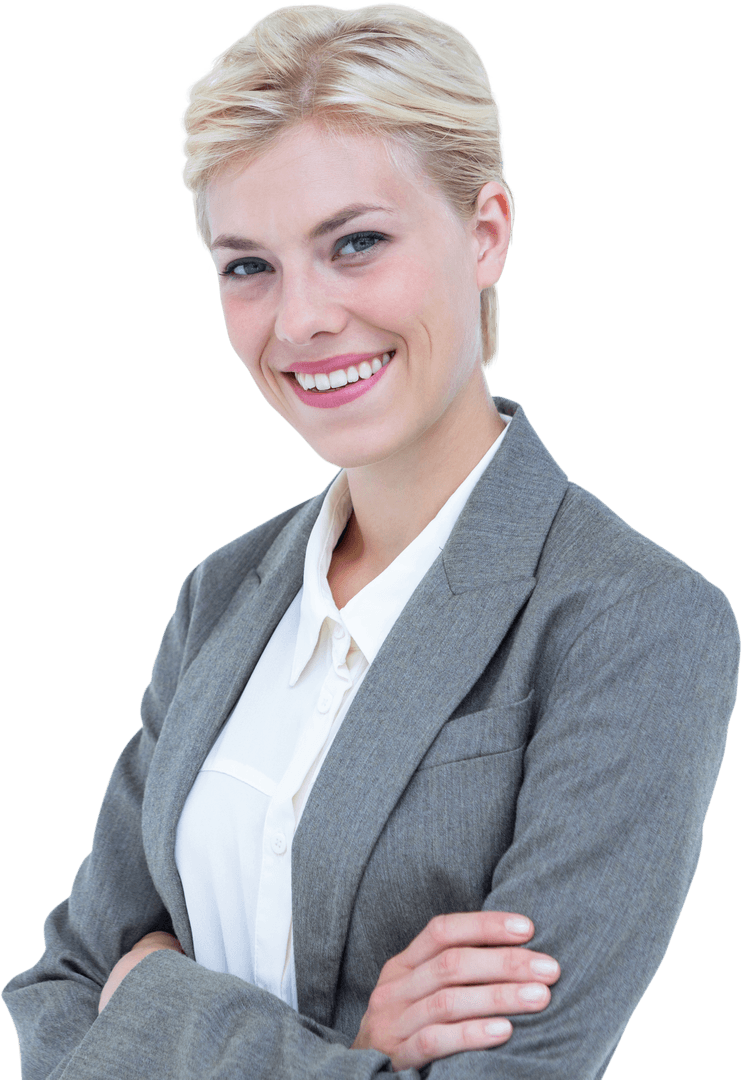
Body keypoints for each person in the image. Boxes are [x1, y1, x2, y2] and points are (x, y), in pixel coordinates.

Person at [2, 3, 739, 1078]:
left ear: (485, 232)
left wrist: (154, 1002)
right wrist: (358, 1056)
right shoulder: (220, 594)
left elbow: (515, 1074)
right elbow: (60, 989)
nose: (299, 319)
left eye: (356, 243)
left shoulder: (634, 621)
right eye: (246, 265)